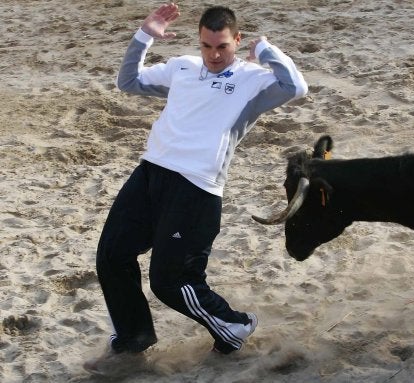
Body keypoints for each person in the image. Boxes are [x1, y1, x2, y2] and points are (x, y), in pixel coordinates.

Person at [84, 2, 307, 373]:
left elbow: (296, 87)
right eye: (207, 46)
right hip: (150, 174)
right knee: (112, 255)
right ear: (198, 42)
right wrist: (144, 36)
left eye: (223, 46)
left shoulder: (252, 79)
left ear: (237, 40)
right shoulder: (182, 67)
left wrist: (265, 50)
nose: (214, 55)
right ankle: (131, 342)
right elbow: (128, 81)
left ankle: (233, 323)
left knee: (170, 282)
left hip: (196, 188)